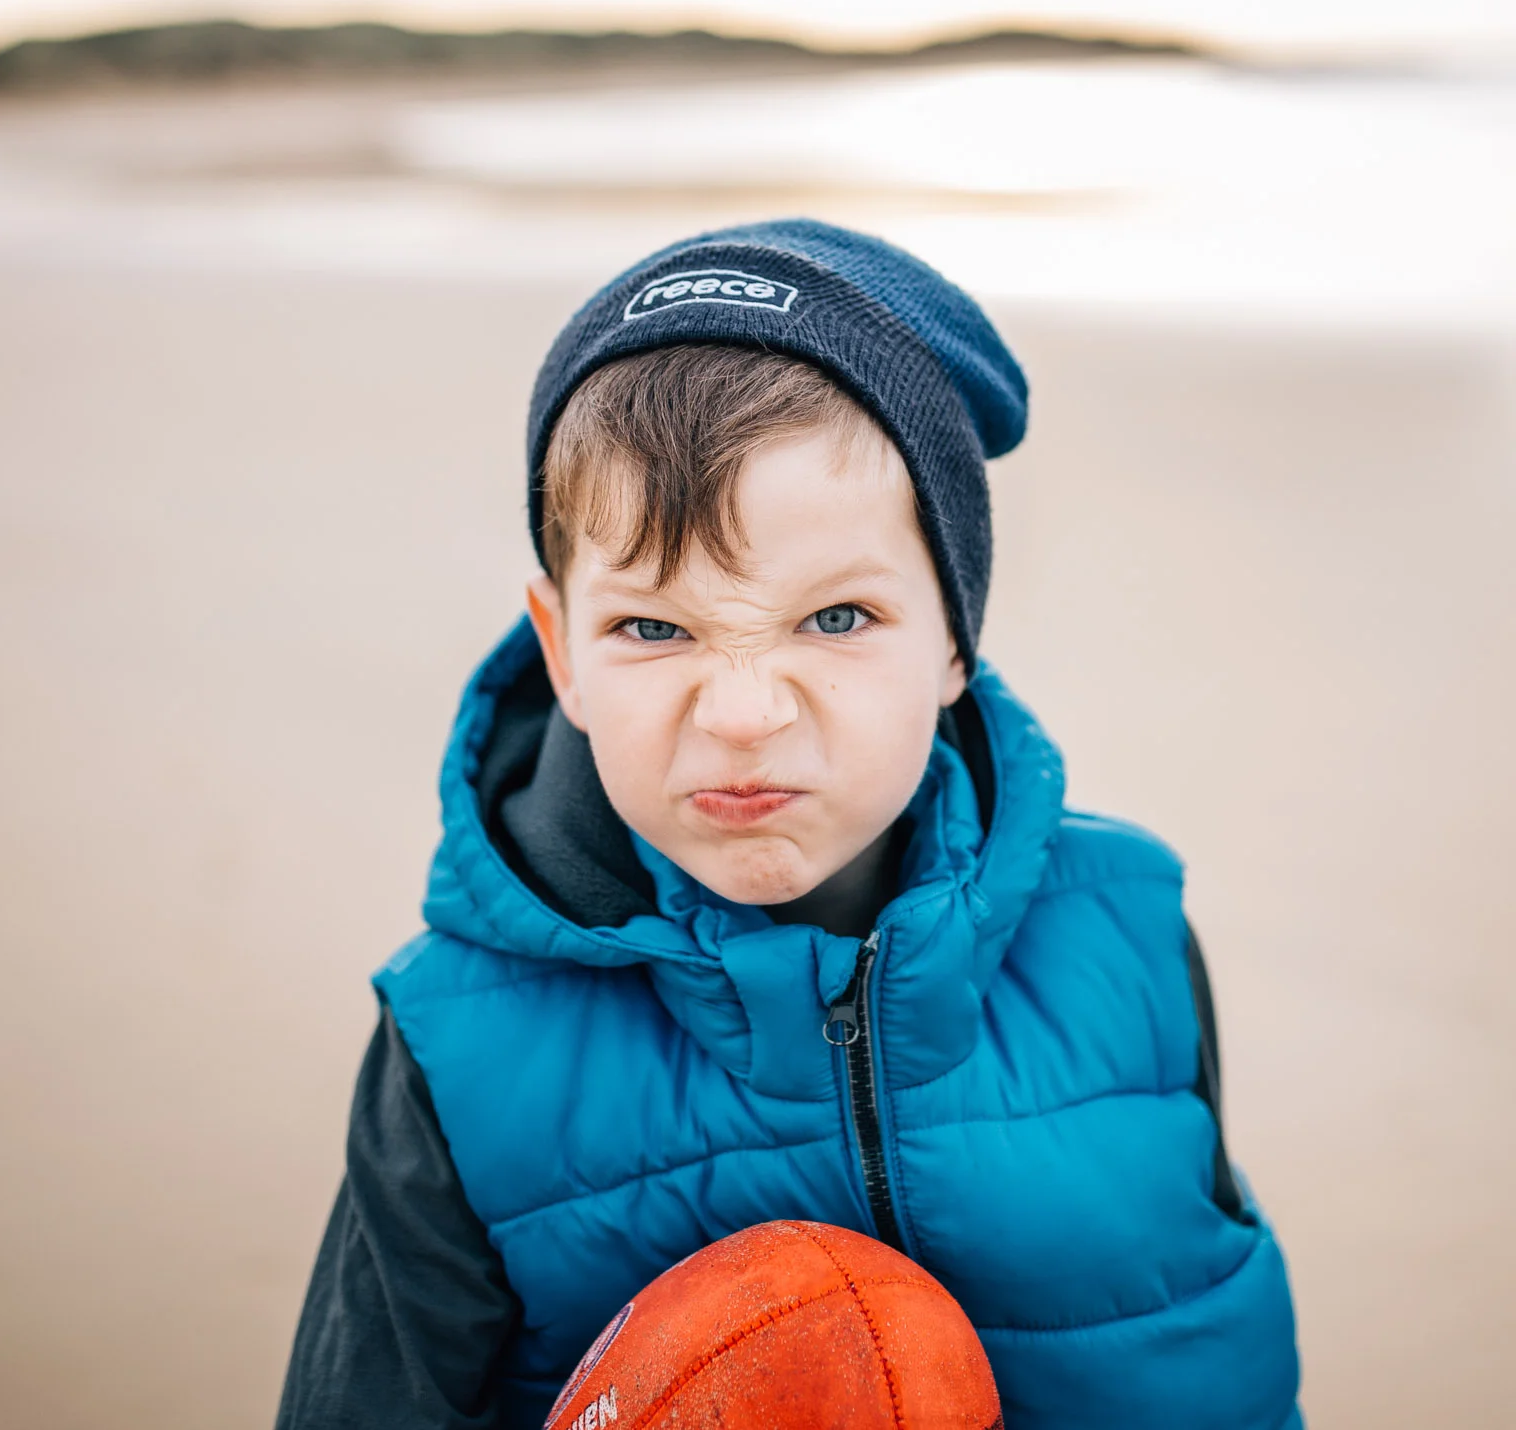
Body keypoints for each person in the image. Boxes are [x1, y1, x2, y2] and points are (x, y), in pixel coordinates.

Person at [276, 220, 1301, 1430]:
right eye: (652, 630)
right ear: (559, 651)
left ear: (953, 640)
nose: (746, 713)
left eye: (836, 619)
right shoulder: (457, 1052)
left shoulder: (1124, 938)